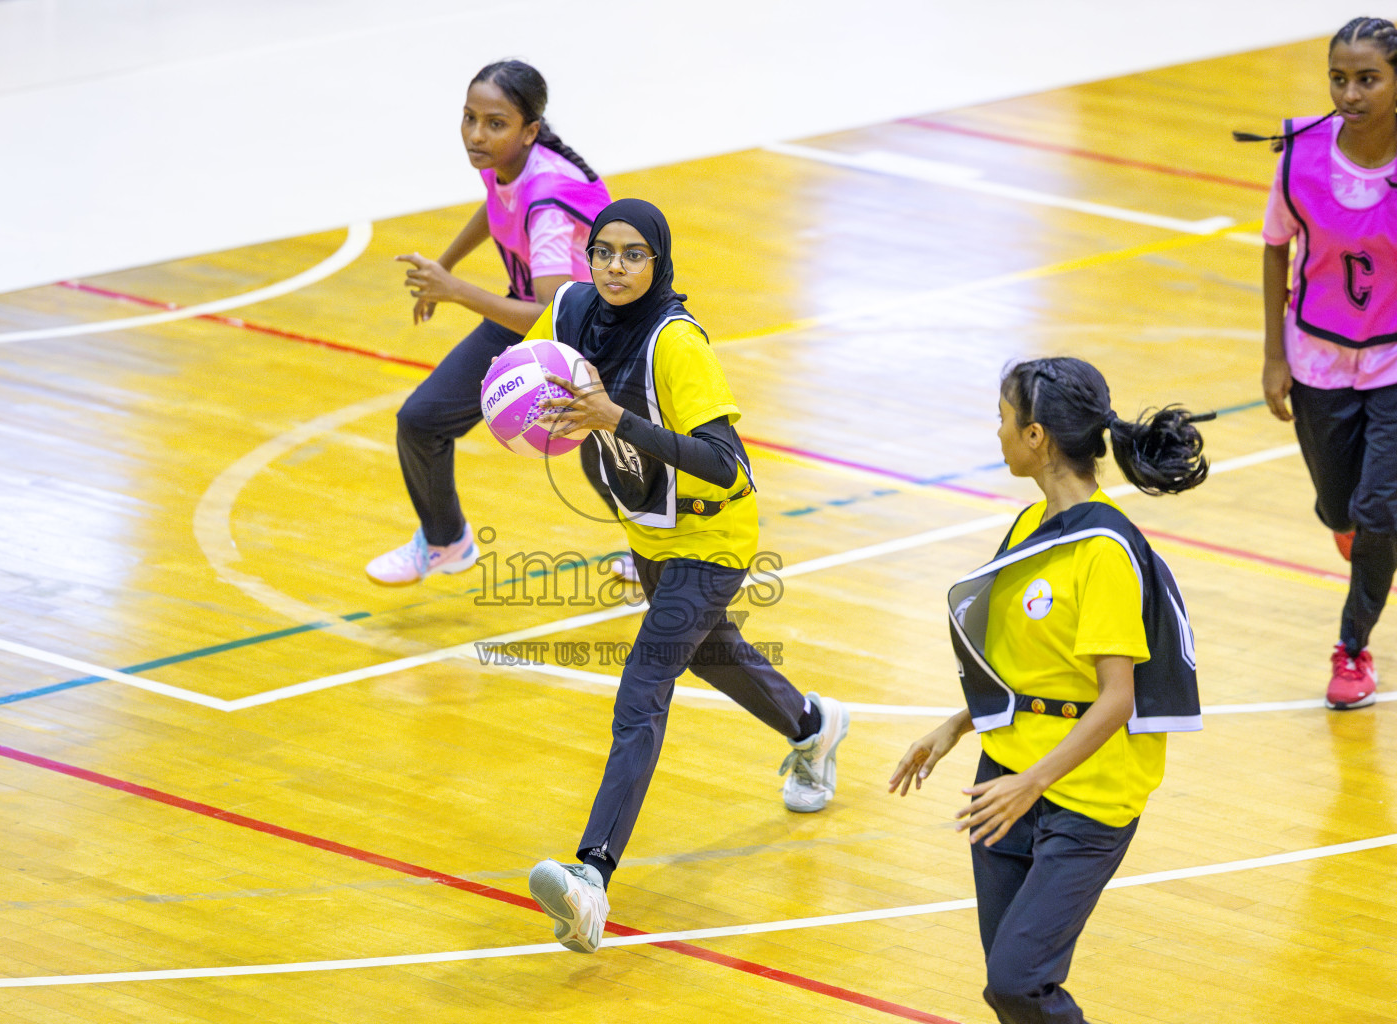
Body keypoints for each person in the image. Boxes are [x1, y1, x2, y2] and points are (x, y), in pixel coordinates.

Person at [518, 198, 850, 954]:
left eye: (634, 255)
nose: (615, 267)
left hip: (715, 530)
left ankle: (591, 879)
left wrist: (614, 420)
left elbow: (725, 461)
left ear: (659, 261)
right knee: (707, 651)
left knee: (644, 683)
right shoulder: (571, 309)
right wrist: (519, 407)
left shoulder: (676, 342)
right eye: (604, 251)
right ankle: (812, 726)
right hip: (648, 527)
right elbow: (530, 380)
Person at [889, 357, 1210, 1024]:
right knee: (1012, 980)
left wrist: (1031, 781)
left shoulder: (1104, 551)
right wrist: (955, 726)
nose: (997, 433)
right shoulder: (1030, 528)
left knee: (1016, 981)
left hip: (1084, 795)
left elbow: (1115, 698)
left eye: (1003, 421)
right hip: (1008, 776)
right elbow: (1026, 669)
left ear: (1036, 437)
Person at [365, 60, 620, 585]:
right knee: (421, 420)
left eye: (494, 123)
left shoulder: (549, 201)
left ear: (529, 130)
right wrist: (448, 264)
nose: (477, 135)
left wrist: (457, 291)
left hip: (593, 334)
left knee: (609, 460)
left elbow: (553, 317)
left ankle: (670, 564)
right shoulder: (506, 161)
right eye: (469, 118)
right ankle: (445, 542)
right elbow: (495, 204)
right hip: (533, 319)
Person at [1246, 16, 1397, 708]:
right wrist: (1274, 356)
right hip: (1318, 357)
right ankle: (1355, 526)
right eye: (1339, 78)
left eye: (1368, 79)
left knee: (1378, 510)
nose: (1350, 93)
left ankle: (1353, 647)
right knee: (1340, 506)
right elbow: (1277, 244)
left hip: (1393, 361)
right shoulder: (1300, 153)